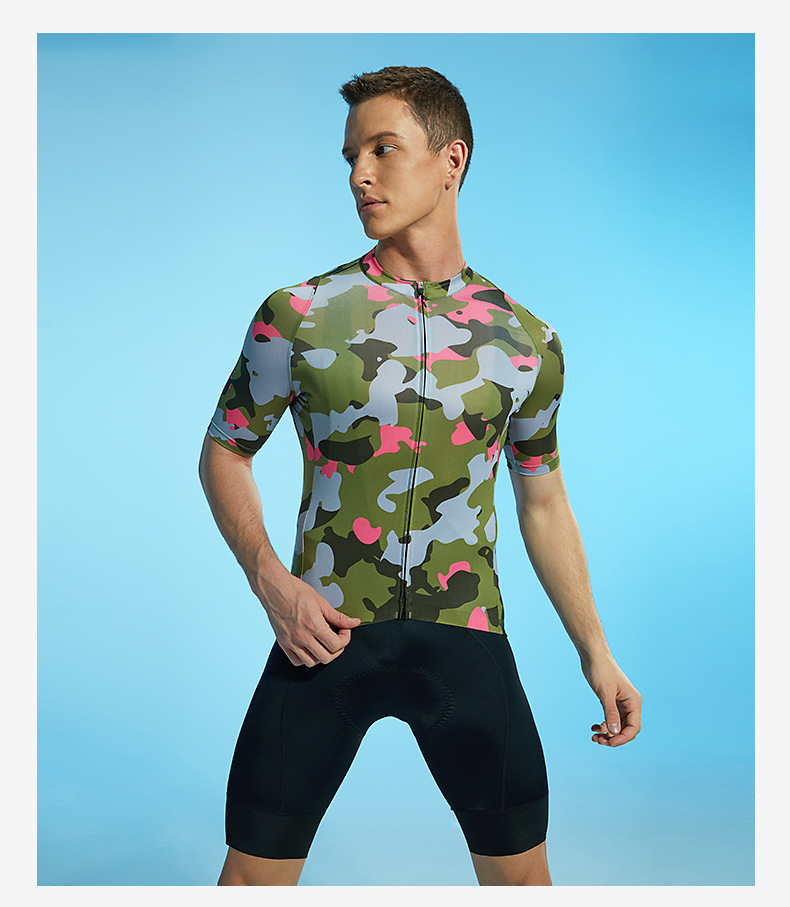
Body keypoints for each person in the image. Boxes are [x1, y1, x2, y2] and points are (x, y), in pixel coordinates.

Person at [198, 65, 641, 887]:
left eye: (383, 149)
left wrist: (597, 652)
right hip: (323, 639)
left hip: (466, 643)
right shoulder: (297, 315)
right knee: (250, 882)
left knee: (523, 884)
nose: (359, 175)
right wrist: (272, 584)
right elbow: (224, 450)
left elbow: (544, 500)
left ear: (451, 160)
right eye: (350, 157)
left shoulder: (526, 341)